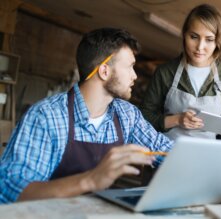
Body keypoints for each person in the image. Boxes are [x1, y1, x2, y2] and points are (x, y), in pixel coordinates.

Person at [0, 27, 172, 204]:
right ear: (104, 71)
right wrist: (91, 179)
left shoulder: (126, 115)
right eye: (130, 67)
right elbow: (11, 189)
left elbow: (164, 150)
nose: (134, 76)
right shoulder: (46, 116)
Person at [141, 4, 221, 141]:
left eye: (209, 39)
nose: (200, 47)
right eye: (194, 37)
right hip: (166, 153)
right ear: (184, 34)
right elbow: (144, 118)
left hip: (207, 156)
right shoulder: (165, 72)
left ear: (218, 41)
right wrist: (177, 120)